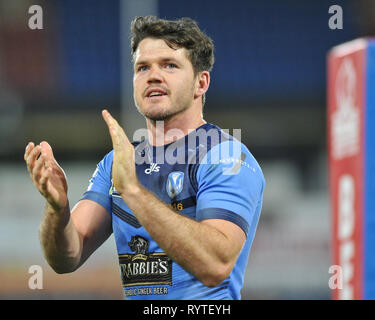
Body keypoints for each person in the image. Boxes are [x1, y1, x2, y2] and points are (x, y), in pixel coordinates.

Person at [24, 16, 265, 300]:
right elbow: (66, 258)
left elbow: (215, 265)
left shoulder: (224, 156)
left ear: (201, 83)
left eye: (169, 65)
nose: (153, 75)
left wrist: (134, 191)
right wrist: (57, 208)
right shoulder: (119, 162)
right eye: (142, 67)